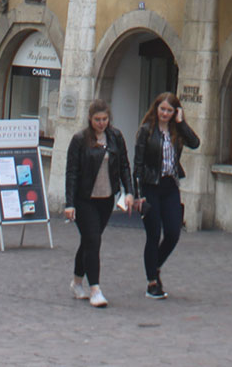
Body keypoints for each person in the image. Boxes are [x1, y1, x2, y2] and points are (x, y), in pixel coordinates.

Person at [64, 99, 138, 308]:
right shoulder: (80, 140)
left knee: (88, 241)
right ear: (90, 119)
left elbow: (124, 165)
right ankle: (95, 288)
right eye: (97, 119)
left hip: (106, 198)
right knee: (93, 241)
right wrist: (69, 204)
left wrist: (129, 192)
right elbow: (72, 173)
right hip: (84, 198)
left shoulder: (115, 137)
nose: (101, 123)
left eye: (104, 119)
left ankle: (77, 281)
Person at [132, 91, 200, 300]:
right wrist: (137, 195)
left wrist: (181, 123)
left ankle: (155, 265)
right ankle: (152, 281)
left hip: (170, 185)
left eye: (170, 110)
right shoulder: (146, 130)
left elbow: (195, 143)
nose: (165, 113)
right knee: (153, 234)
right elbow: (138, 163)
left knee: (172, 232)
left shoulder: (176, 130)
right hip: (150, 186)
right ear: (156, 108)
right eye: (162, 109)